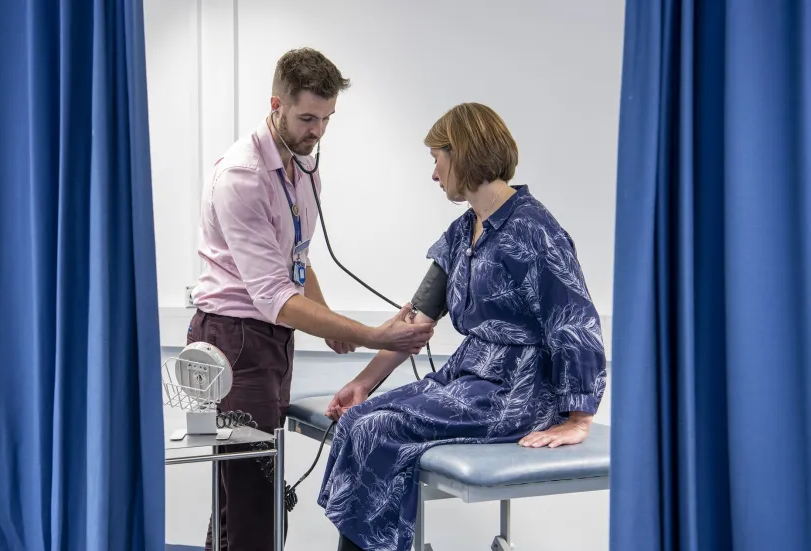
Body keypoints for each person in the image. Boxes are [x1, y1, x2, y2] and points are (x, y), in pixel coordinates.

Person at [317, 103, 607, 551]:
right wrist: (362, 383)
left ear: (463, 153)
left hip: (517, 391)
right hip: (469, 377)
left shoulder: (535, 231)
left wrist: (580, 417)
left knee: (379, 430)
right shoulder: (462, 232)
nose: (434, 174)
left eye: (437, 159)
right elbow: (416, 320)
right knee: (360, 418)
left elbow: (576, 323)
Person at [187, 48, 435, 551]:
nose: (317, 130)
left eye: (327, 119)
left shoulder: (302, 168)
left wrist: (325, 323)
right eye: (307, 118)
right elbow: (275, 296)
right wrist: (370, 335)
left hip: (268, 338)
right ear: (276, 103)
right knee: (252, 498)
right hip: (234, 339)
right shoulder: (244, 176)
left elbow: (296, 258)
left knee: (249, 493)